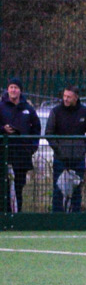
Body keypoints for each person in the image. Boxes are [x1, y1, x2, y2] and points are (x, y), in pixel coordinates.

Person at [43, 86, 86, 212]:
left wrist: (83, 150)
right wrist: (59, 150)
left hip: (78, 159)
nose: (65, 99)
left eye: (68, 97)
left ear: (76, 97)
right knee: (58, 190)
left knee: (77, 191)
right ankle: (57, 219)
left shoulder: (85, 112)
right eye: (64, 96)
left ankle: (75, 219)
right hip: (60, 159)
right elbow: (49, 133)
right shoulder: (56, 111)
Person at [0, 82, 38, 213]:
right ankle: (5, 215)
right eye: (11, 87)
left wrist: (32, 147)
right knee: (3, 188)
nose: (13, 90)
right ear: (7, 89)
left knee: (18, 187)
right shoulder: (1, 107)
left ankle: (17, 215)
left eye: (16, 88)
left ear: (20, 90)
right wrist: (3, 129)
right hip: (4, 154)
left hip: (22, 156)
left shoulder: (28, 108)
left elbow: (36, 128)